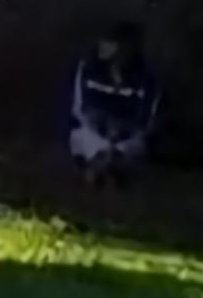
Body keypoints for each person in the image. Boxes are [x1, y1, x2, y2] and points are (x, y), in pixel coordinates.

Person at [68, 22, 160, 185]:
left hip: (126, 138)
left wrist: (121, 131)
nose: (104, 47)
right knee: (82, 137)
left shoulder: (146, 79)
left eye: (111, 43)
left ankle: (108, 170)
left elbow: (147, 121)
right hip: (94, 132)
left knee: (132, 147)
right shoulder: (88, 69)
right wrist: (99, 125)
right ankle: (99, 169)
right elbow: (79, 108)